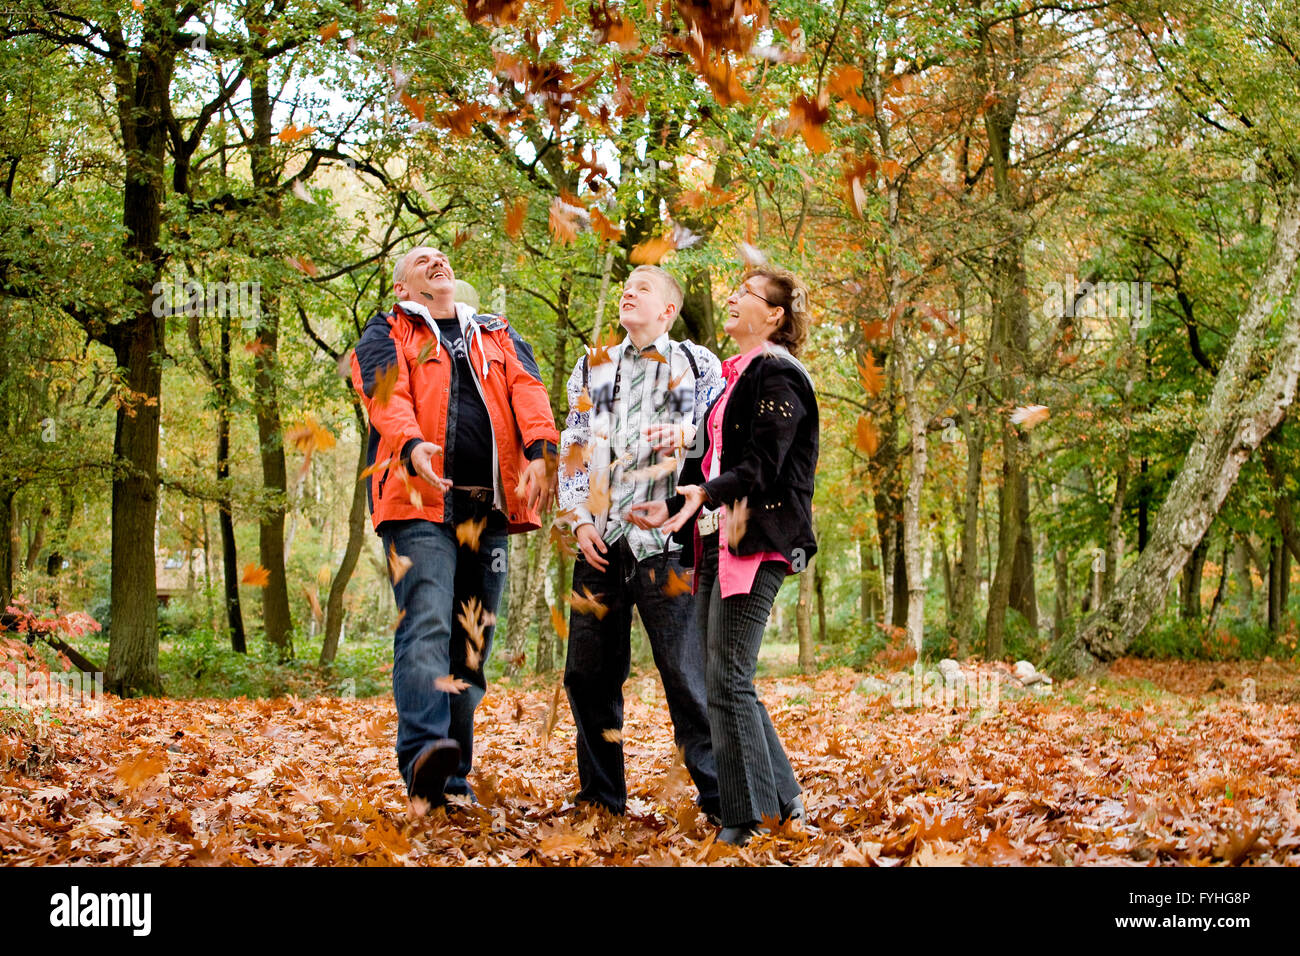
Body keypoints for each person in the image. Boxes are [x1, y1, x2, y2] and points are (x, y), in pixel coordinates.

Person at [350, 246, 559, 807]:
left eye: (440, 256)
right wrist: (413, 444)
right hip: (418, 505)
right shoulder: (386, 331)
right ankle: (423, 755)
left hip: (486, 511)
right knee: (425, 626)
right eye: (421, 260)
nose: (436, 260)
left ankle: (452, 779)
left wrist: (540, 452)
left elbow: (529, 392)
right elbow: (383, 393)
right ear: (402, 288)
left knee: (470, 647)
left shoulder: (496, 333)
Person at [628, 266, 818, 845]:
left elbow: (762, 464)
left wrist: (706, 493)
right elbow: (720, 451)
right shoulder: (739, 376)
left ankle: (747, 817)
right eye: (734, 290)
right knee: (722, 678)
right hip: (718, 538)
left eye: (748, 294)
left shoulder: (779, 375)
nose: (733, 298)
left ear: (776, 316)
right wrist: (684, 492)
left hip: (759, 539)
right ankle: (782, 802)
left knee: (728, 679)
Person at [558, 265, 723, 818]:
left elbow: (720, 436)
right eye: (626, 285)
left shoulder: (697, 365)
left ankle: (723, 801)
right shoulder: (595, 365)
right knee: (587, 673)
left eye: (643, 288)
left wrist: (686, 434)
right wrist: (579, 520)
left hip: (667, 547)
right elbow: (575, 446)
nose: (629, 292)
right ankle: (602, 800)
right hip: (602, 545)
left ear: (668, 311)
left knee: (685, 676)